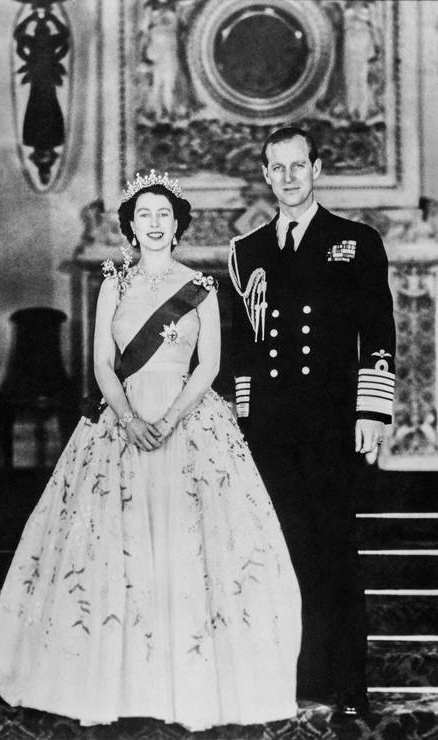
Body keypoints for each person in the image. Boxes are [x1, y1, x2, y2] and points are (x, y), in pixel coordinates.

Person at [0, 170, 301, 731]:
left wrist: (172, 418)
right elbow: (104, 364)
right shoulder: (114, 283)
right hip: (122, 418)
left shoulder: (201, 288)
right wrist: (130, 420)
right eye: (143, 216)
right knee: (113, 547)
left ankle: (190, 684)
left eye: (163, 215)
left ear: (177, 225)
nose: (154, 225)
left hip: (191, 419)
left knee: (193, 549)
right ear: (130, 227)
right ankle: (117, 679)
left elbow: (209, 365)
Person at [229, 127, 396, 716]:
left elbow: (377, 332)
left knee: (336, 549)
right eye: (278, 167)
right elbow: (244, 346)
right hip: (271, 426)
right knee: (286, 550)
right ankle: (300, 680)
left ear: (317, 168)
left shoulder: (354, 241)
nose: (290, 176)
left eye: (300, 165)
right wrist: (244, 420)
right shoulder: (245, 250)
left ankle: (349, 688)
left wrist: (372, 410)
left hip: (331, 423)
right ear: (267, 174)